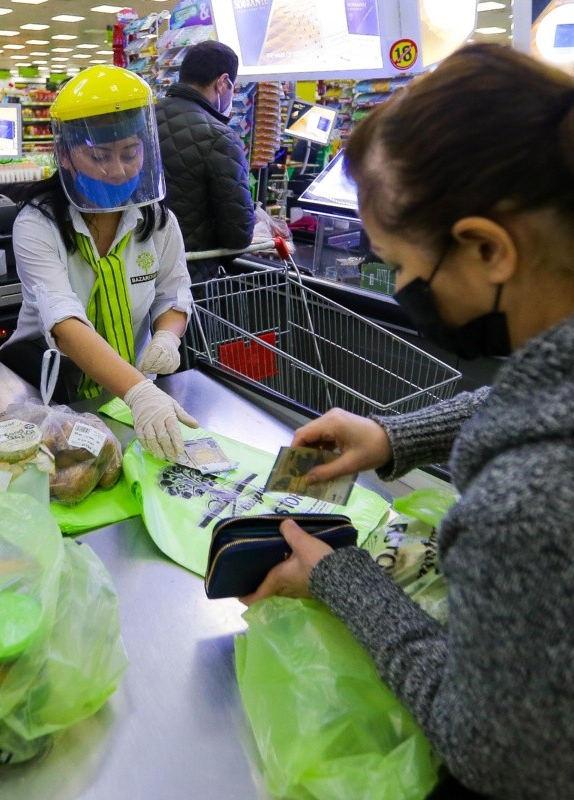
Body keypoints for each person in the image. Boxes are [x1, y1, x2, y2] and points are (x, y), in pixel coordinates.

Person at [242, 42, 574, 800]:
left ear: (487, 248)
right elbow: (546, 398)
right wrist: (394, 436)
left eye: (397, 265)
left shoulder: (527, 508)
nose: (398, 288)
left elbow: (494, 749)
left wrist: (338, 577)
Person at [0, 65, 198, 463]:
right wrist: (139, 392)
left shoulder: (156, 221)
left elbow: (173, 292)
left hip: (133, 388)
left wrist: (167, 338)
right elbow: (65, 324)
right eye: (99, 156)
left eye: (130, 153)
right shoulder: (37, 225)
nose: (119, 170)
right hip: (50, 388)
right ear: (67, 156)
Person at [155, 40, 255, 283]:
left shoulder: (144, 118)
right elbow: (238, 235)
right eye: (234, 87)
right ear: (223, 83)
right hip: (190, 277)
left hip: (140, 268)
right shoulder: (220, 137)